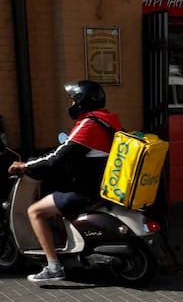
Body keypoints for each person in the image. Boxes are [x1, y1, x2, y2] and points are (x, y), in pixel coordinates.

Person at [8, 80, 122, 282]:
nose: (70, 104)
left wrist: (26, 166)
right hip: (99, 185)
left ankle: (53, 267)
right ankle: (67, 252)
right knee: (55, 199)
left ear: (82, 102)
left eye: (72, 100)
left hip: (85, 190)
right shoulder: (108, 120)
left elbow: (57, 158)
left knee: (34, 212)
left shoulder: (89, 124)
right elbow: (69, 150)